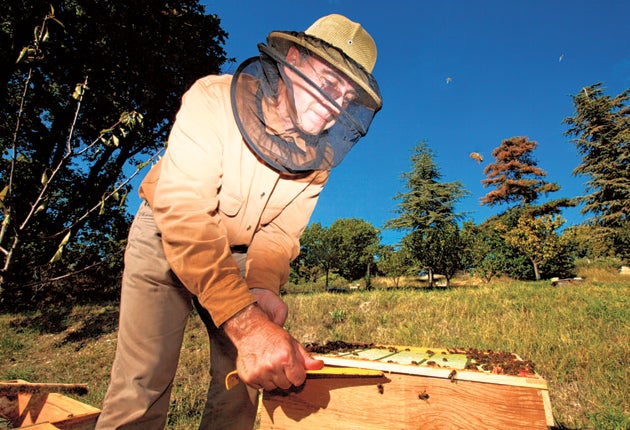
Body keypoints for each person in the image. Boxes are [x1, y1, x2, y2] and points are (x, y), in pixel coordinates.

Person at [96, 13, 382, 429]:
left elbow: (280, 231)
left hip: (241, 255)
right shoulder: (211, 100)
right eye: (328, 80)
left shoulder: (318, 162)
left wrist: (262, 286)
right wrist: (245, 322)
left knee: (243, 388)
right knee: (142, 383)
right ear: (294, 61)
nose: (336, 104)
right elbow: (186, 213)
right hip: (165, 237)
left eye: (346, 96)